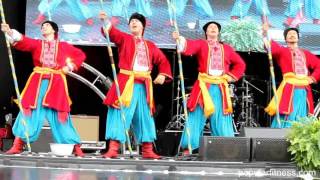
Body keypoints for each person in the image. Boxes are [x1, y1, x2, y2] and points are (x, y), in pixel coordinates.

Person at [1, 21, 86, 156]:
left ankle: (76, 147)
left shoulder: (63, 46)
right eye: (42, 26)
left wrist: (68, 67)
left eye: (46, 26)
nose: (43, 27)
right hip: (38, 83)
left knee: (61, 116)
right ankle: (18, 144)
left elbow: (80, 55)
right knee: (29, 111)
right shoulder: (37, 44)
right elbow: (23, 41)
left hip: (56, 84)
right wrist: (10, 31)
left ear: (54, 30)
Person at [99, 11, 173, 159]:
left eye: (137, 22)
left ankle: (147, 150)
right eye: (131, 21)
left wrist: (162, 74)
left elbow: (163, 61)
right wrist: (106, 21)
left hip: (144, 87)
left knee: (145, 116)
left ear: (143, 27)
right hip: (127, 83)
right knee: (120, 114)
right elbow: (112, 33)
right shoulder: (125, 39)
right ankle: (113, 148)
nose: (133, 23)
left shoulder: (150, 46)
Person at [172, 21, 246, 154]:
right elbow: (188, 47)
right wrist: (180, 39)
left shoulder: (227, 48)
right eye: (210, 27)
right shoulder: (201, 44)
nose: (213, 28)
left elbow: (240, 64)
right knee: (196, 115)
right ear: (206, 32)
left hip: (220, 88)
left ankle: (226, 149)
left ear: (218, 32)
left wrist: (231, 77)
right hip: (203, 87)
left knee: (222, 117)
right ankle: (188, 148)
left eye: (216, 27)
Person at [263, 24, 320, 128]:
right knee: (287, 115)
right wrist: (265, 33)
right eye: (289, 34)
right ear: (285, 39)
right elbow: (270, 47)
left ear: (298, 38)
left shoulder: (306, 54)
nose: (292, 35)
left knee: (302, 117)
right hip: (289, 89)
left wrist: (312, 78)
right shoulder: (282, 51)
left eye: (294, 34)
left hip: (304, 90)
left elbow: (318, 65)